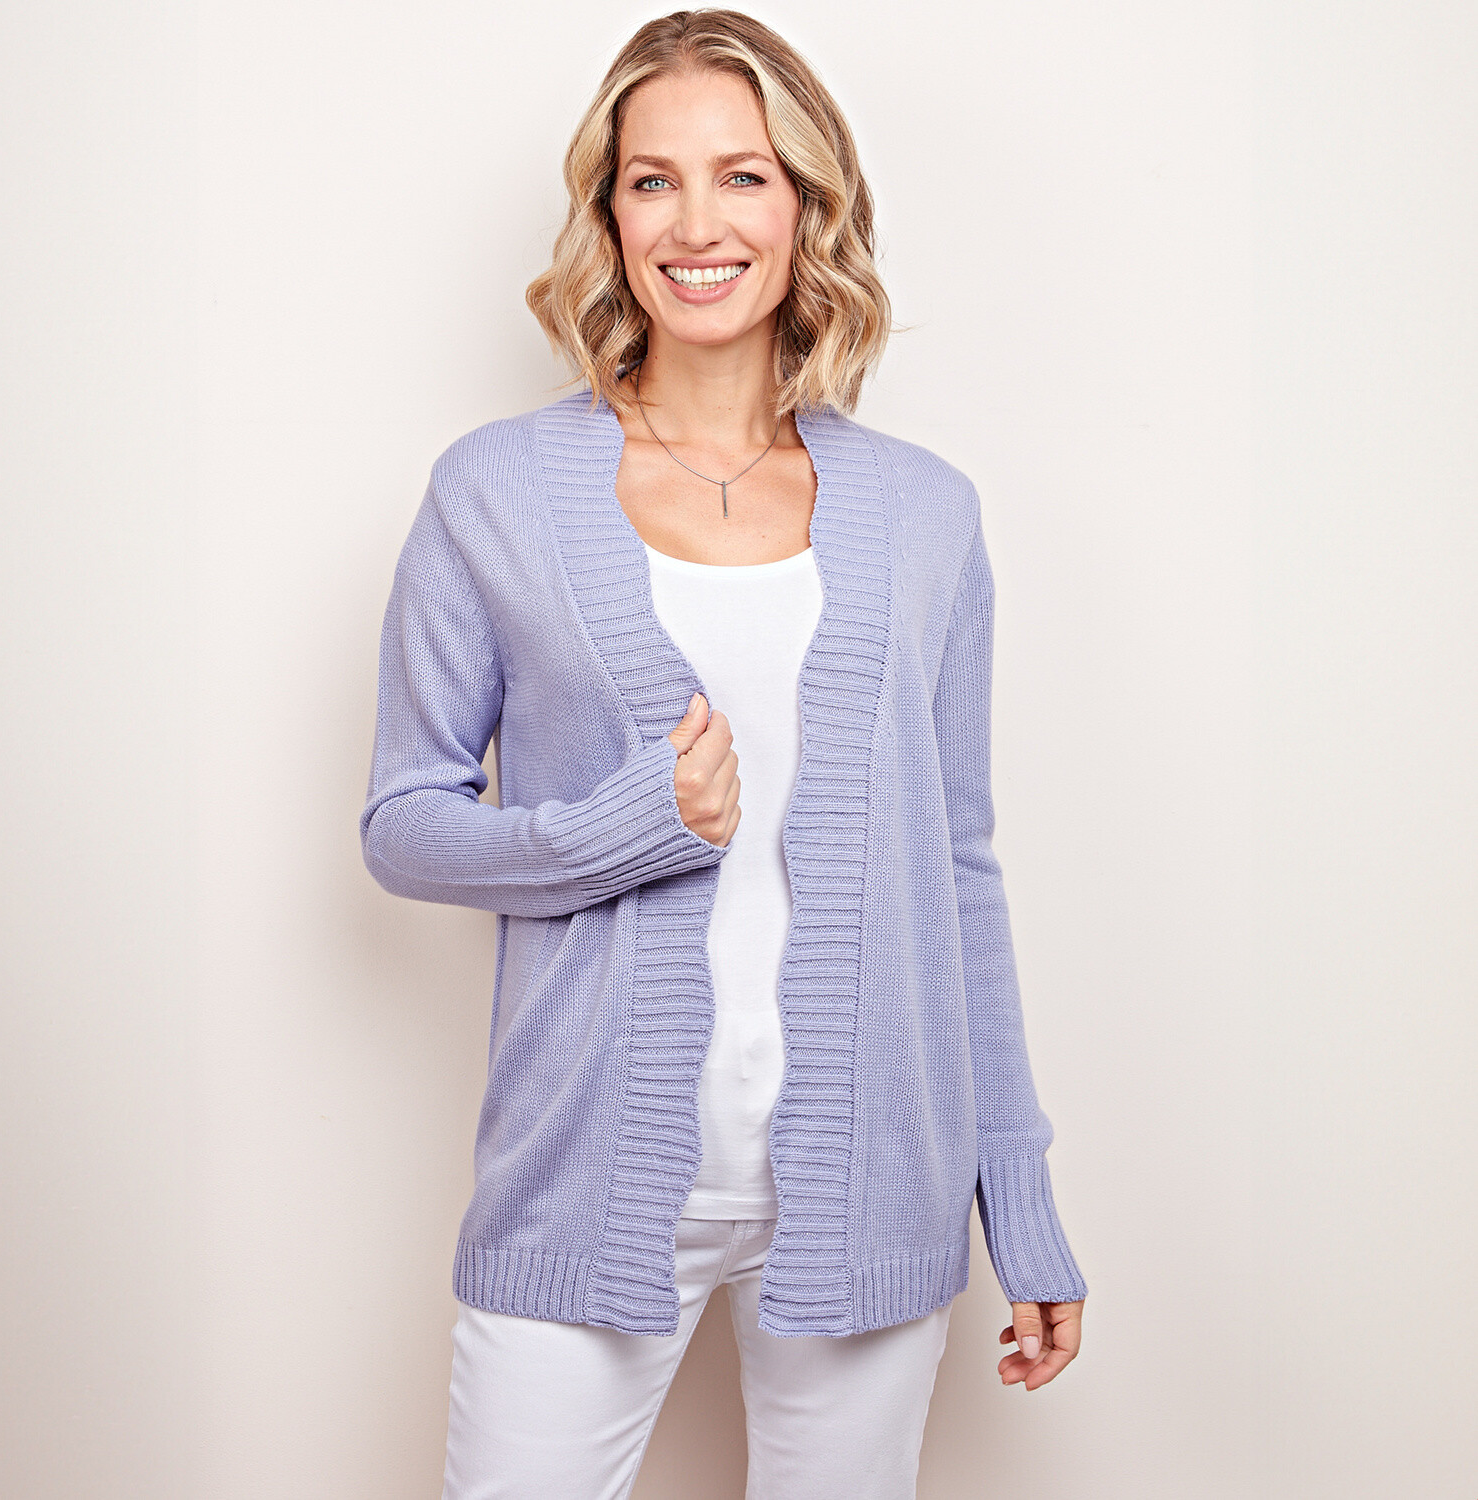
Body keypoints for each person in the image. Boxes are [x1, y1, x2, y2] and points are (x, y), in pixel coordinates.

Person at [359, 10, 1088, 1498]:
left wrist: (1018, 1199)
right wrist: (623, 826)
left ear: (809, 205)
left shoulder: (925, 515)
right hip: (581, 1175)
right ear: (609, 214)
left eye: (744, 176)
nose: (698, 225)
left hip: (875, 1176)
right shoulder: (496, 492)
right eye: (655, 181)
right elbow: (404, 821)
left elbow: (958, 874)